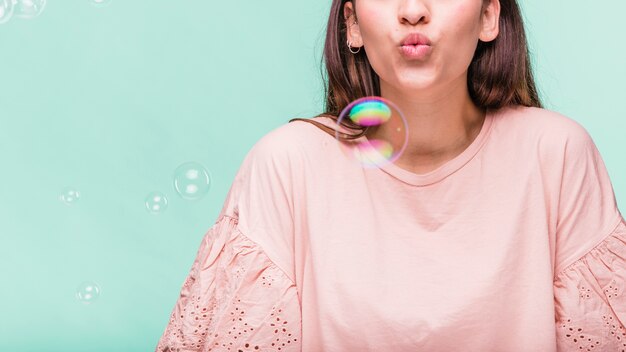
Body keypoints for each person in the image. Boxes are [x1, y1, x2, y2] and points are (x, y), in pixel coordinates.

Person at [155, 0, 626, 350]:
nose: (414, 11)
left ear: (489, 17)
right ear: (353, 25)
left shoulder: (557, 152)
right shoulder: (287, 164)